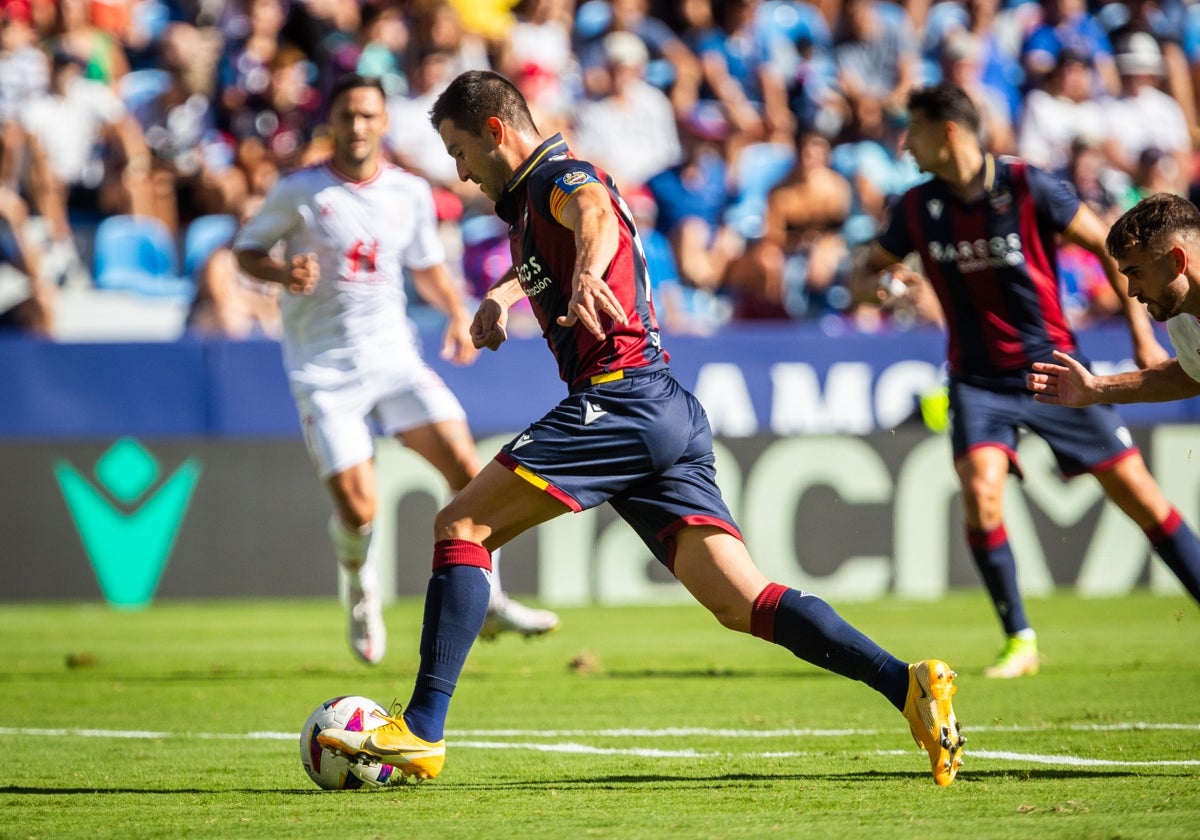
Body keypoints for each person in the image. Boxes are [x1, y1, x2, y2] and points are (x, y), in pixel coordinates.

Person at [316, 68, 966, 787]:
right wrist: (504, 294)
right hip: (663, 408)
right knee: (742, 602)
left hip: (619, 400)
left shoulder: (557, 175)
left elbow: (590, 211)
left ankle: (423, 731)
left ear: (496, 131)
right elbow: (562, 244)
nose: (459, 171)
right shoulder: (529, 206)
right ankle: (906, 685)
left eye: (459, 150)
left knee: (460, 529)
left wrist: (591, 272)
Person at [864, 82, 1200, 679]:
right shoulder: (916, 209)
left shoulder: (1028, 186)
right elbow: (864, 276)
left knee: (1140, 497)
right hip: (976, 377)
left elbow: (1112, 249)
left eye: (912, 130)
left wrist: (1140, 336)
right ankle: (1019, 638)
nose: (904, 144)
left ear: (948, 131)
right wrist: (888, 287)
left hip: (1053, 367)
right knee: (980, 492)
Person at [232, 73, 559, 666]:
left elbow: (428, 266)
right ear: (330, 123)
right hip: (324, 371)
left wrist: (459, 312)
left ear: (384, 123)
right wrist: (281, 274)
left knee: (470, 470)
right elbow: (245, 251)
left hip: (394, 360)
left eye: (368, 116)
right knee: (359, 508)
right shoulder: (301, 191)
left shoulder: (407, 192)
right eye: (347, 115)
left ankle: (487, 599)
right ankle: (361, 591)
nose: (357, 126)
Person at [1027, 191, 1200, 408]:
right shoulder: (1181, 321)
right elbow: (1190, 377)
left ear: (1177, 260)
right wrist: (1095, 388)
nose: (1131, 291)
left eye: (1137, 273)